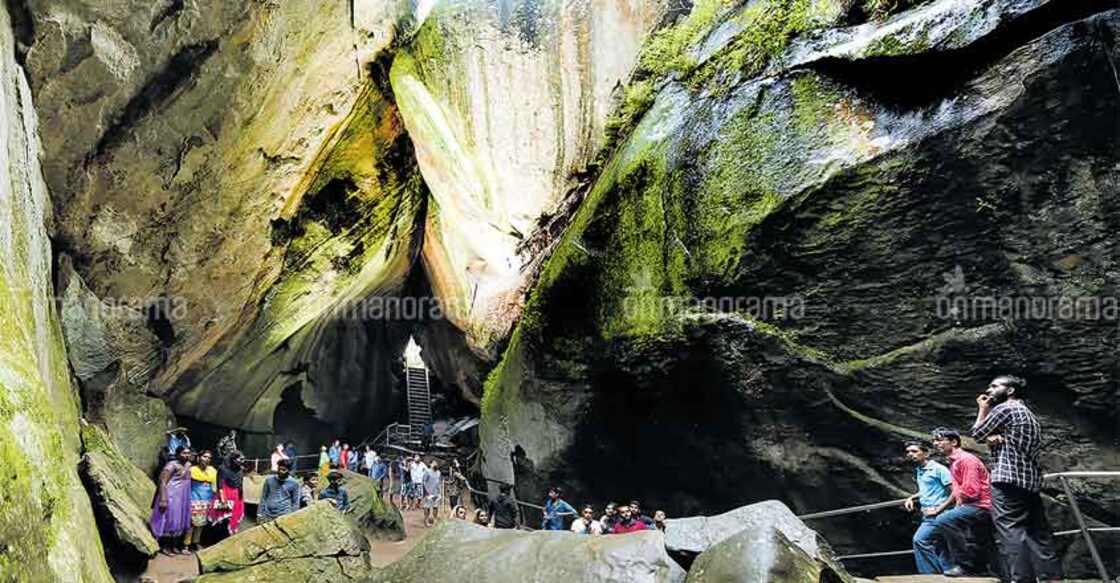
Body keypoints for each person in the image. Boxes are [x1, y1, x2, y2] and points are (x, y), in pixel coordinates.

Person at [971, 375, 1062, 582]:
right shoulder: (1029, 415)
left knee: (1010, 530)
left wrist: (983, 409)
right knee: (1038, 531)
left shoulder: (1005, 408)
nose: (990, 389)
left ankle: (1022, 579)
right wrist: (1001, 438)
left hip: (1006, 479)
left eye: (995, 386)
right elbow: (1019, 443)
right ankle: (1052, 577)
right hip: (1030, 481)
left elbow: (977, 434)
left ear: (1010, 390)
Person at [930, 427, 994, 576]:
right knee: (982, 541)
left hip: (981, 506)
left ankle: (965, 565)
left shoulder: (965, 460)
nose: (935, 443)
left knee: (944, 520)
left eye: (939, 440)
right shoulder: (954, 462)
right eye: (933, 441)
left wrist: (958, 505)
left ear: (953, 442)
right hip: (973, 505)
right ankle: (982, 570)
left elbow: (972, 491)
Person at [902, 440, 954, 574]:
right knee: (941, 546)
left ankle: (930, 576)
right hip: (928, 514)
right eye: (908, 452)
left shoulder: (939, 469)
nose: (910, 454)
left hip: (939, 514)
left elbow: (954, 492)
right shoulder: (920, 470)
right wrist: (912, 497)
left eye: (914, 451)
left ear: (926, 453)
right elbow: (927, 490)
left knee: (920, 540)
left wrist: (939, 509)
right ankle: (946, 573)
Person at [150, 446, 193, 555]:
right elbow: (162, 482)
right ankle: (164, 546)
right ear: (178, 454)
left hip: (182, 496)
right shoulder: (171, 465)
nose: (187, 455)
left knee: (179, 520)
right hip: (171, 495)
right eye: (184, 453)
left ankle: (174, 546)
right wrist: (163, 499)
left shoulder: (188, 465)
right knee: (169, 519)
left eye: (188, 453)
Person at [184, 449, 217, 552]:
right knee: (192, 523)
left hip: (207, 500)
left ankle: (196, 543)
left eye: (209, 458)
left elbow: (215, 485)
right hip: (194, 499)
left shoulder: (212, 470)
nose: (207, 459)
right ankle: (186, 545)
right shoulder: (192, 469)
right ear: (198, 458)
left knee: (202, 524)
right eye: (204, 457)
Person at [211, 451, 246, 535]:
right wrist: (222, 498)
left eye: (243, 459)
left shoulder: (241, 469)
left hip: (237, 495)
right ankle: (218, 537)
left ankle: (229, 534)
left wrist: (240, 497)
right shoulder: (223, 468)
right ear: (233, 459)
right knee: (224, 517)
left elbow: (240, 483)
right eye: (240, 459)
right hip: (226, 494)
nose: (242, 461)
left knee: (234, 516)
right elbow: (220, 485)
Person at [422, 461, 442, 526]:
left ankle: (435, 520)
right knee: (427, 506)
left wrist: (440, 491)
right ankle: (426, 520)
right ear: (430, 464)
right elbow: (424, 481)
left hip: (436, 492)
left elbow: (439, 482)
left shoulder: (438, 472)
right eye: (433, 463)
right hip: (428, 492)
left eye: (436, 463)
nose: (435, 464)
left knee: (435, 507)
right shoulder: (427, 471)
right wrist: (426, 490)